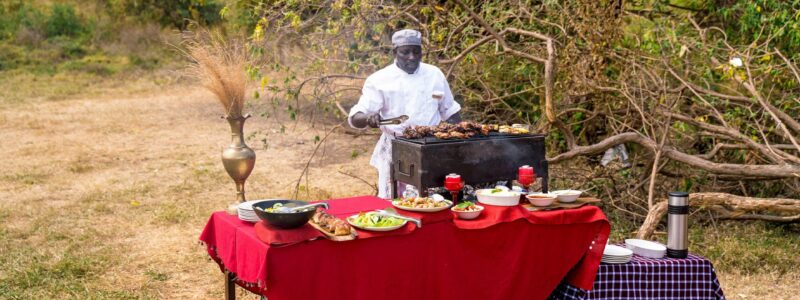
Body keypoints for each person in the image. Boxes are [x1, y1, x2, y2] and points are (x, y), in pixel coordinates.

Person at [349, 29, 462, 199]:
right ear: (395, 52)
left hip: (430, 147)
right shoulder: (380, 79)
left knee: (431, 201)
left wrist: (447, 139)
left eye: (416, 52)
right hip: (396, 148)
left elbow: (451, 112)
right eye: (405, 52)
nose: (412, 57)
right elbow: (356, 117)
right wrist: (367, 118)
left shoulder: (434, 74)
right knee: (393, 202)